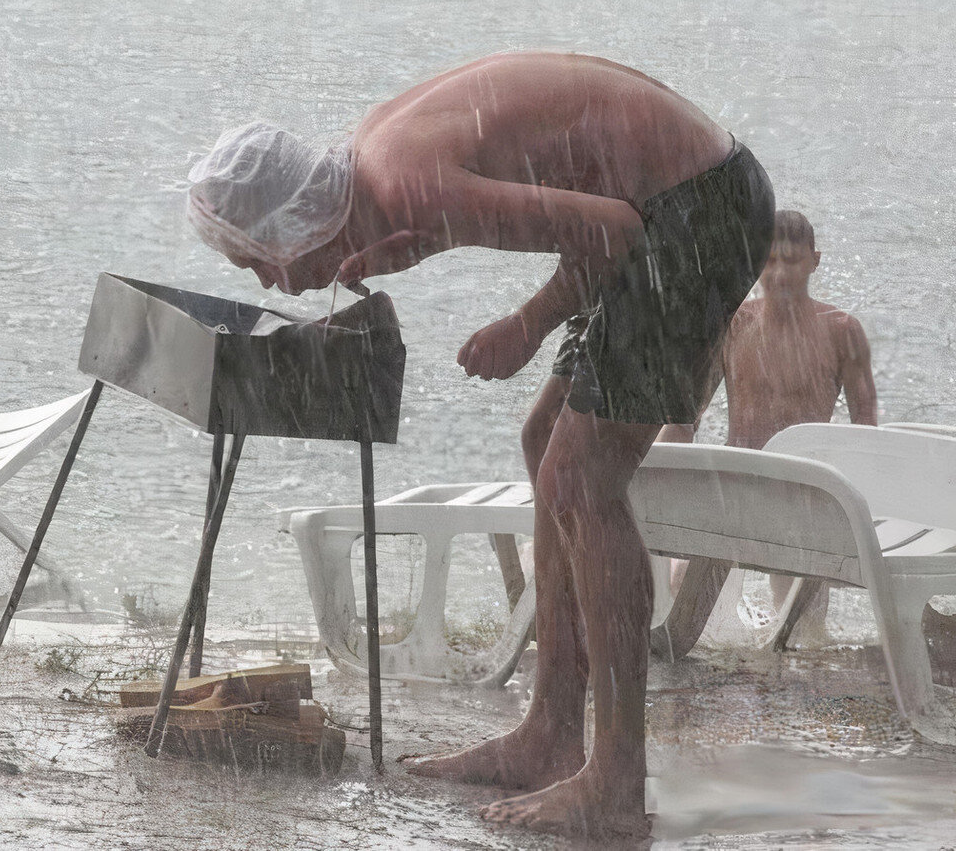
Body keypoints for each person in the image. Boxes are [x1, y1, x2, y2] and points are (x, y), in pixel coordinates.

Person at [187, 51, 775, 840]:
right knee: (547, 444)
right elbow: (577, 202)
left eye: (255, 258)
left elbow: (617, 232)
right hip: (670, 198)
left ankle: (616, 783)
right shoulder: (376, 167)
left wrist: (526, 327)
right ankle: (550, 734)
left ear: (293, 220)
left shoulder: (404, 185)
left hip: (698, 211)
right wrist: (422, 244)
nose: (267, 281)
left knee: (581, 483)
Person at [657, 210, 878, 634]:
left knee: (804, 633)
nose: (778, 274)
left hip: (805, 496)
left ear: (815, 261)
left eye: (791, 261)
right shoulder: (734, 323)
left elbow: (863, 436)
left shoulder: (841, 332)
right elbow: (687, 416)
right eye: (768, 260)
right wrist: (653, 474)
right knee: (686, 596)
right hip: (736, 488)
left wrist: (855, 514)